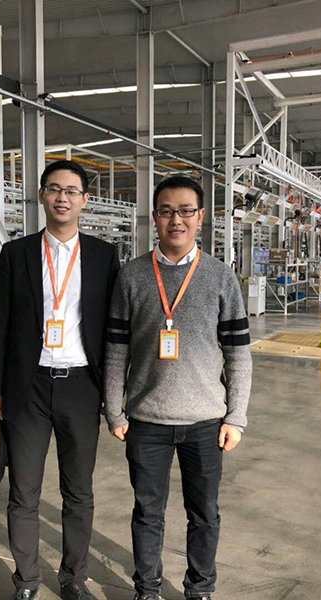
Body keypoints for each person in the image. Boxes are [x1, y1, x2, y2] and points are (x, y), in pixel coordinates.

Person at [104, 175, 252, 600]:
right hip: (145, 422)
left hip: (205, 423)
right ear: (155, 217)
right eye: (167, 211)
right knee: (147, 513)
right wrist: (114, 411)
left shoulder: (220, 277)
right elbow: (115, 350)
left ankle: (199, 589)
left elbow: (238, 354)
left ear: (200, 216)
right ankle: (147, 589)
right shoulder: (132, 276)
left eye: (186, 211)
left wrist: (236, 417)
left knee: (204, 514)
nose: (176, 220)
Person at [0, 160, 121, 600]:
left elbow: (113, 330)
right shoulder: (16, 253)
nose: (63, 197)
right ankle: (26, 581)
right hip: (28, 388)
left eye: (72, 190)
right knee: (23, 491)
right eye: (55, 188)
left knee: (78, 491)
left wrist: (113, 392)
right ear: (42, 195)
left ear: (84, 201)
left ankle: (74, 579)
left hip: (82, 387)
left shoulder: (103, 256)